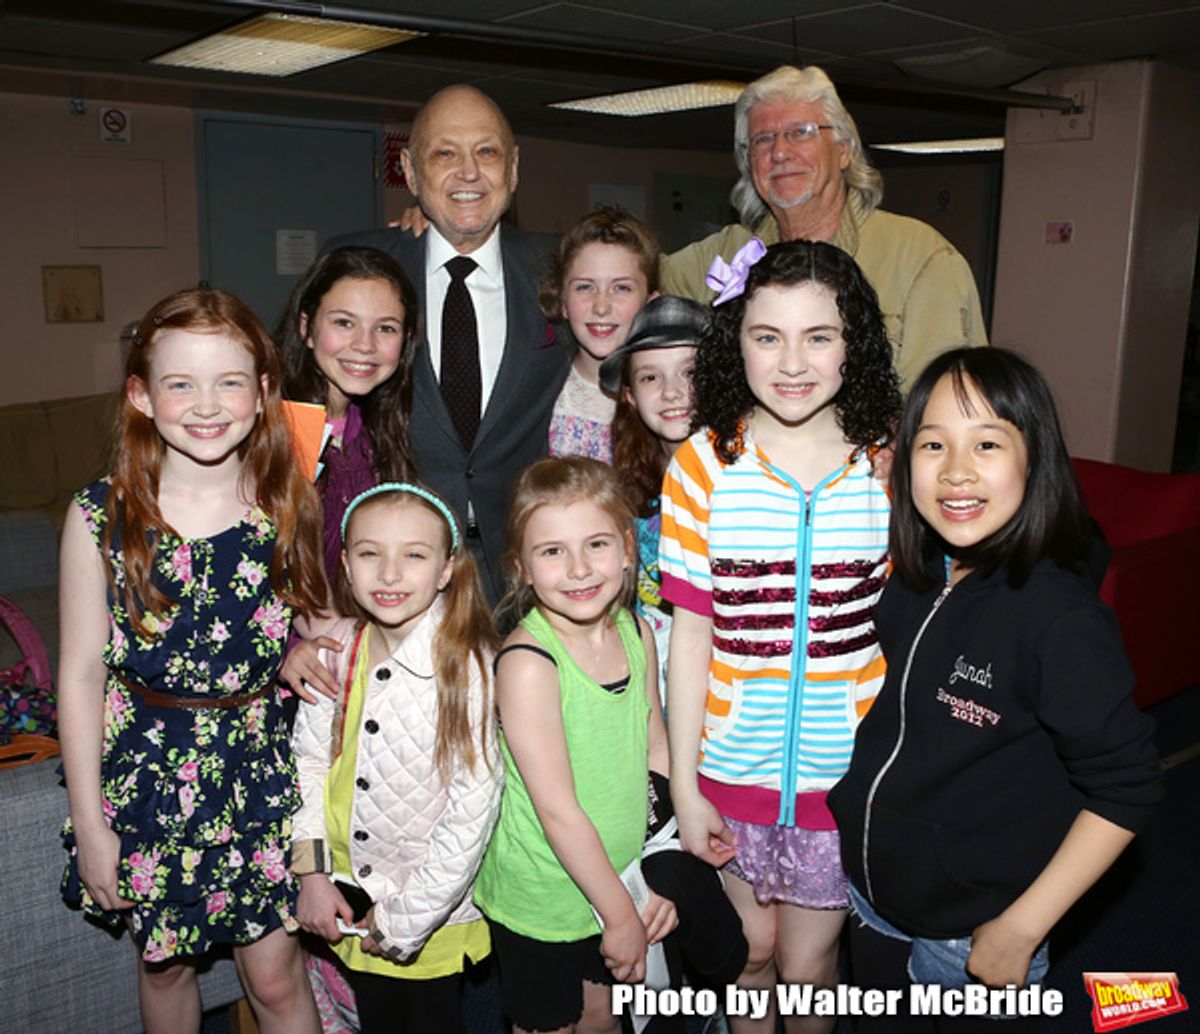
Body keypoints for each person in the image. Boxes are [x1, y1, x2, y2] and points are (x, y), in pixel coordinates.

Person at [827, 348, 1162, 1031]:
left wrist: (1021, 926)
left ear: (1034, 459)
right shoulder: (914, 579)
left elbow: (1128, 786)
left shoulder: (1058, 620)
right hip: (873, 893)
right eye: (932, 444)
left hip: (972, 927)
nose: (956, 469)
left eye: (986, 443)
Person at [57, 288, 328, 1034]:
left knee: (276, 977)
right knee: (167, 965)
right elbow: (79, 673)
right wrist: (91, 825)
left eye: (230, 381)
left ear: (265, 391)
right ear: (141, 396)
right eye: (180, 383)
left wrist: (304, 648)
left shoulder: (287, 502)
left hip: (259, 773)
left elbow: (310, 619)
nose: (206, 405)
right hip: (147, 777)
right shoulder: (98, 516)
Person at [659, 240, 902, 1034]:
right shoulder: (702, 465)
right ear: (738, 342)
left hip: (844, 773)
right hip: (732, 768)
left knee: (805, 967)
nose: (791, 362)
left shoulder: (887, 466)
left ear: (853, 345)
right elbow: (689, 633)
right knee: (751, 955)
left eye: (818, 336)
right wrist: (689, 791)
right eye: (768, 336)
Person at [326, 84, 571, 602]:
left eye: (487, 152)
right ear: (411, 173)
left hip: (527, 568)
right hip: (398, 571)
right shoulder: (361, 265)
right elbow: (301, 404)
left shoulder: (564, 270)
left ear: (514, 168)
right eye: (444, 154)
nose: (468, 172)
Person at [473, 457, 676, 1034]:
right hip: (547, 898)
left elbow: (655, 750)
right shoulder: (529, 664)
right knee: (550, 1026)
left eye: (597, 544)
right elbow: (558, 810)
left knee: (602, 1018)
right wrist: (620, 915)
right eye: (552, 551)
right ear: (522, 569)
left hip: (623, 874)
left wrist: (659, 865)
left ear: (630, 550)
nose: (579, 568)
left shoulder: (637, 633)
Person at [291, 483, 502, 1034]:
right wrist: (312, 874)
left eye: (413, 554)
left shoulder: (468, 668)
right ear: (345, 563)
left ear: (446, 569)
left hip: (424, 911)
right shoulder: (334, 647)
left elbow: (472, 812)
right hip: (347, 888)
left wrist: (406, 922)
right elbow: (308, 765)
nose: (389, 574)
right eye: (369, 554)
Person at [660, 64, 987, 391]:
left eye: (801, 132)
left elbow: (947, 413)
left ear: (844, 150)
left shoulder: (922, 260)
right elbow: (630, 275)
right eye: (763, 139)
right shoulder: (727, 254)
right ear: (748, 162)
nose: (780, 152)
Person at [278, 245, 419, 585]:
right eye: (344, 323)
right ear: (306, 328)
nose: (365, 345)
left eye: (385, 328)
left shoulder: (384, 428)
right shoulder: (270, 428)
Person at [598, 294, 706, 700]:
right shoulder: (621, 493)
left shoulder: (745, 481)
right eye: (650, 378)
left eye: (690, 373)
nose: (673, 393)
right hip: (650, 689)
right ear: (628, 394)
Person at [541, 208, 659, 462]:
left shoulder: (665, 399)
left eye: (621, 288)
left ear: (651, 303)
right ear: (562, 301)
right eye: (585, 287)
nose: (602, 306)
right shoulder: (539, 394)